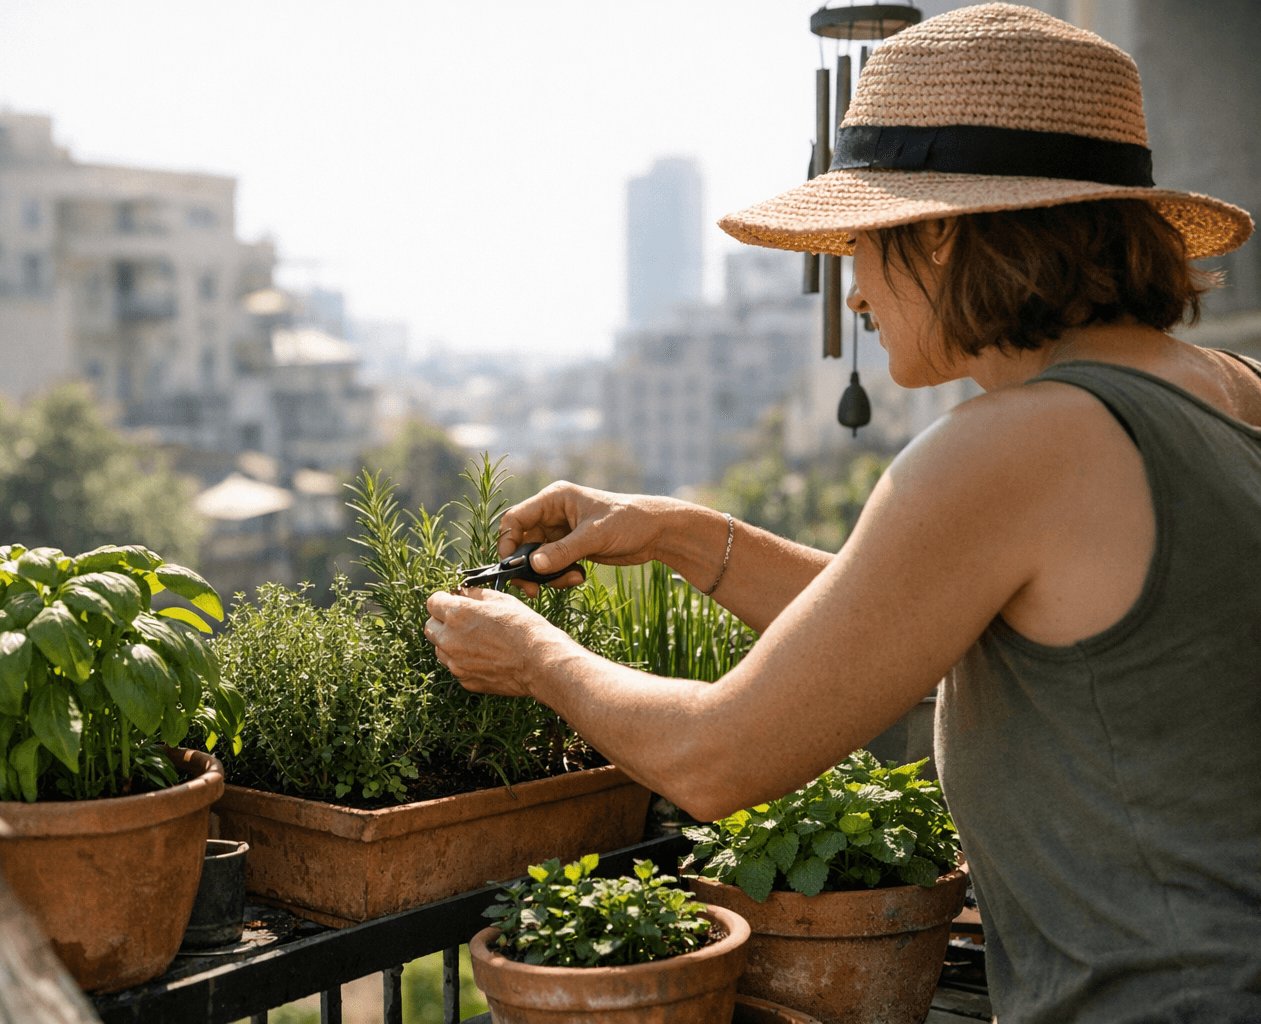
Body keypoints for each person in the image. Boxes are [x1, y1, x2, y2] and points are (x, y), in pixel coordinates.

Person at [423, 5, 1260, 1022]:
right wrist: (675, 533)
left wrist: (533, 657)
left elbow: (717, 754)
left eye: (863, 238)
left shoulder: (1020, 444)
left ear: (943, 231)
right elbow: (913, 620)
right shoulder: (1231, 393)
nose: (851, 289)